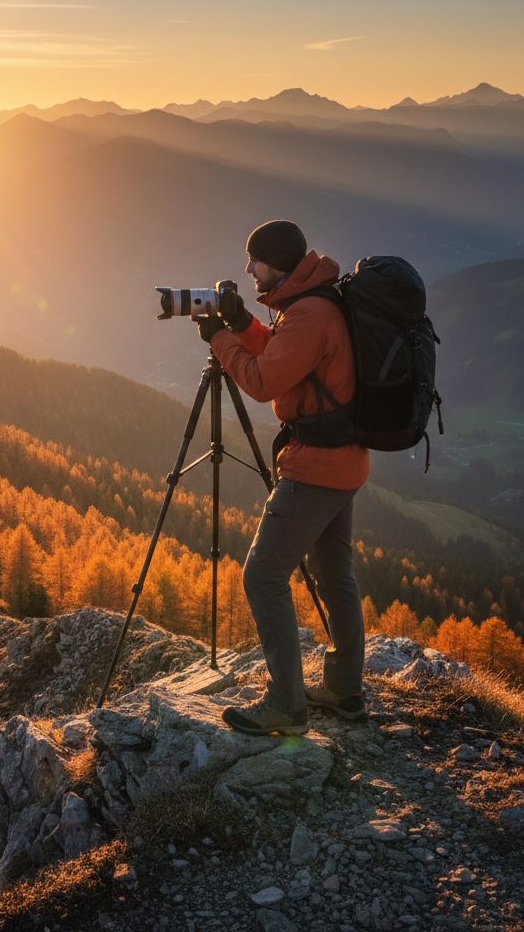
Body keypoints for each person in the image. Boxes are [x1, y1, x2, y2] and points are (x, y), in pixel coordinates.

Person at [196, 219, 369, 735]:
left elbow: (264, 378)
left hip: (314, 468)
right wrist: (244, 324)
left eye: (254, 259)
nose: (248, 268)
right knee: (335, 575)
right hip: (345, 464)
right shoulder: (313, 301)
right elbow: (280, 348)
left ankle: (286, 706)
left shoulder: (308, 315)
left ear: (276, 261)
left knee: (263, 575)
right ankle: (343, 690)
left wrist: (220, 340)